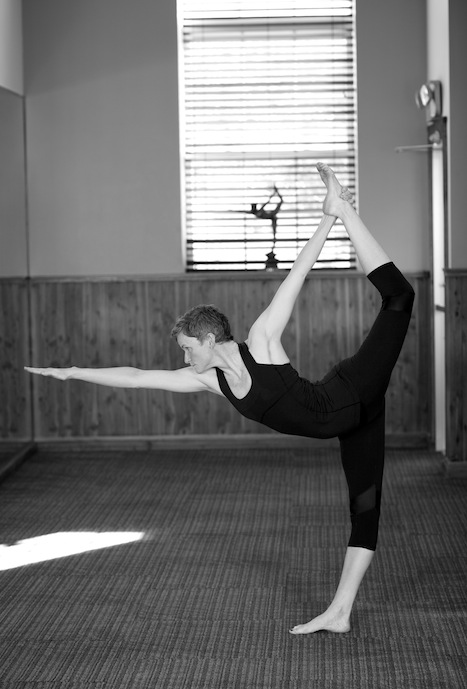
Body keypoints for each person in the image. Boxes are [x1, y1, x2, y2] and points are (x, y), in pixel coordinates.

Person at [25, 163, 414, 635]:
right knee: (364, 508)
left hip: (353, 390)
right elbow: (137, 378)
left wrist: (331, 218)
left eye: (187, 349)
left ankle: (346, 210)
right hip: (355, 422)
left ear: (209, 339)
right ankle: (340, 612)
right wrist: (72, 372)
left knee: (399, 298)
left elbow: (298, 273)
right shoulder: (212, 380)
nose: (184, 359)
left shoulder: (262, 341)